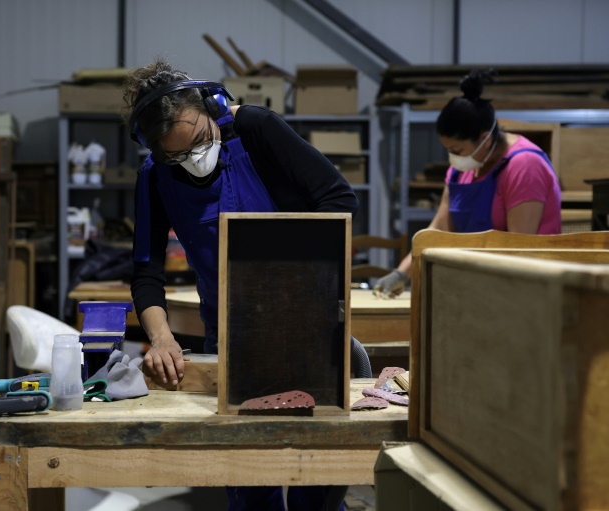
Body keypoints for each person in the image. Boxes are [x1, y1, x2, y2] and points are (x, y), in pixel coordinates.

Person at [123, 58, 363, 510]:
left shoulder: (256, 131)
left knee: (317, 473)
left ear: (212, 111)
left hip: (307, 328)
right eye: (176, 155)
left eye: (198, 141)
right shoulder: (155, 178)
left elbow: (340, 199)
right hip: (230, 339)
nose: (193, 159)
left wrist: (289, 277)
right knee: (249, 478)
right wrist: (161, 338)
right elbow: (146, 272)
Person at [374, 69, 562, 299]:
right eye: (448, 150)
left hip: (526, 291)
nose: (453, 158)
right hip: (480, 286)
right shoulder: (461, 169)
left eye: (457, 150)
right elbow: (437, 231)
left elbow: (519, 248)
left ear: (485, 138)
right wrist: (401, 274)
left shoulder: (524, 166)